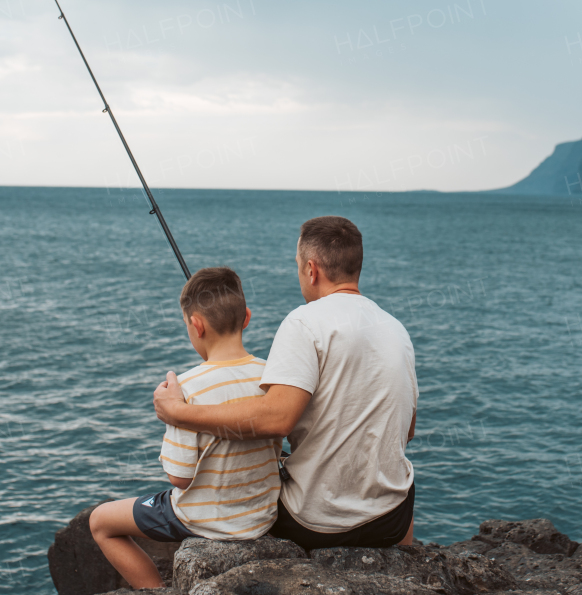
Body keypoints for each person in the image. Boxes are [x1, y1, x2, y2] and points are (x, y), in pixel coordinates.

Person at [154, 216, 417, 549]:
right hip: (392, 520)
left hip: (319, 523)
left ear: (311, 269)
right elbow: (405, 430)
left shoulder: (304, 321)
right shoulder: (397, 330)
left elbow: (276, 420)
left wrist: (178, 413)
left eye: (297, 266)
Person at [89, 267, 280, 588]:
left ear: (196, 325)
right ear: (246, 318)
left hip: (203, 520)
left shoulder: (186, 388)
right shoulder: (271, 375)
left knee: (100, 521)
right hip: (261, 515)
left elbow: (179, 477)